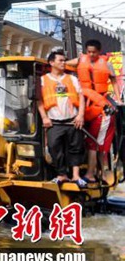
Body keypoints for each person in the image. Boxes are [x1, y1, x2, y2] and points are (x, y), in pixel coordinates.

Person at [66, 39, 122, 183]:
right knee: (85, 141)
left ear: (99, 51)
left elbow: (114, 81)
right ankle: (93, 171)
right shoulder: (80, 60)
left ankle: (96, 172)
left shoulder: (107, 63)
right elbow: (63, 64)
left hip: (101, 106)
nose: (91, 55)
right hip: (85, 105)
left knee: (97, 143)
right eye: (89, 52)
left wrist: (117, 98)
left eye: (94, 52)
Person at [38, 49, 86, 187]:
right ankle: (62, 175)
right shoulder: (43, 80)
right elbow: (39, 101)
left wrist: (80, 115)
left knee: (76, 147)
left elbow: (81, 97)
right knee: (54, 147)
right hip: (54, 122)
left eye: (64, 60)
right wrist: (44, 117)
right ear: (51, 62)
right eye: (61, 60)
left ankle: (76, 176)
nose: (64, 62)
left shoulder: (72, 79)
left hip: (73, 120)